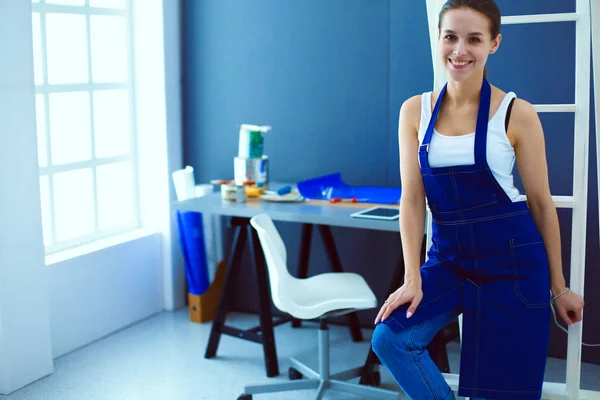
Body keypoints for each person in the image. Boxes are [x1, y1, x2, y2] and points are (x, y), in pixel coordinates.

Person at [370, 1, 585, 399]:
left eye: (474, 39)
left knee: (500, 393)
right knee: (390, 340)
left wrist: (558, 287)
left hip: (513, 266)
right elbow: (413, 200)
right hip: (450, 261)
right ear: (438, 39)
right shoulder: (414, 112)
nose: (460, 50)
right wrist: (412, 278)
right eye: (450, 37)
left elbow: (540, 204)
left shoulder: (516, 113)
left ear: (494, 44)